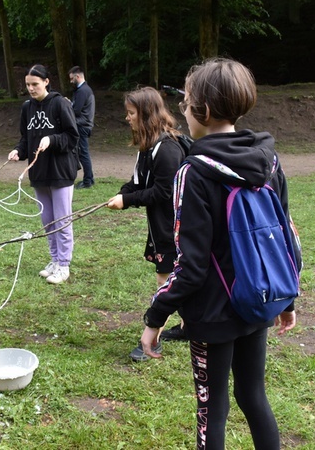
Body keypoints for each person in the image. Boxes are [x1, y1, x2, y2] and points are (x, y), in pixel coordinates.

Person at [139, 58, 299, 449]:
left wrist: (155, 316)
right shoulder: (269, 161)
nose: (182, 108)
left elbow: (189, 267)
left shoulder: (192, 173)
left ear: (203, 111)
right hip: (257, 300)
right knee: (254, 396)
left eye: (185, 100)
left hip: (211, 313)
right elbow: (287, 237)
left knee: (213, 408)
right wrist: (286, 298)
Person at [107, 87, 188, 361]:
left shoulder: (167, 149)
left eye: (131, 113)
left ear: (146, 114)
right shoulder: (148, 147)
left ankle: (152, 339)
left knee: (165, 280)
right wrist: (122, 193)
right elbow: (138, 183)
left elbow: (163, 193)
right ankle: (188, 326)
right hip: (160, 226)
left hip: (176, 229)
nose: (127, 118)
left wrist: (127, 200)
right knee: (177, 278)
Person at [8, 64, 79, 284]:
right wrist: (18, 151)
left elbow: (72, 136)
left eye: (35, 84)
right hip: (39, 172)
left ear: (46, 82)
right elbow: (25, 138)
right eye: (28, 84)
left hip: (60, 172)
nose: (31, 88)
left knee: (61, 220)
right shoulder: (27, 107)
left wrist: (52, 139)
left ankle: (64, 265)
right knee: (48, 221)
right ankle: (55, 260)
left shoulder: (60, 104)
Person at [68, 66, 95, 189]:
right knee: (83, 152)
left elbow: (76, 111)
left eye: (72, 78)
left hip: (82, 125)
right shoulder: (85, 90)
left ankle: (88, 181)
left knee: (83, 153)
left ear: (77, 76)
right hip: (85, 124)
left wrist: (68, 106)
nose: (71, 81)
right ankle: (90, 179)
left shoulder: (82, 91)